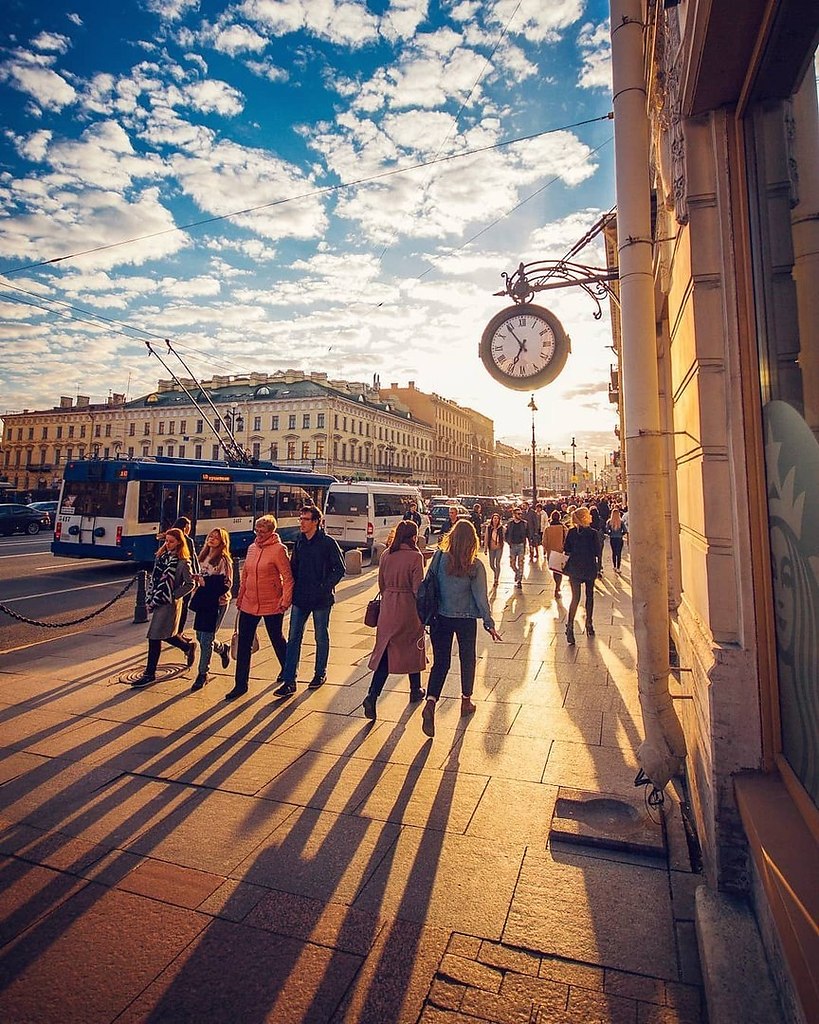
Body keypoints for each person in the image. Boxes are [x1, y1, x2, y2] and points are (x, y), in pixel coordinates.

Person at [421, 520, 502, 737]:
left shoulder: (439, 557)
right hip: (465, 619)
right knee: (467, 659)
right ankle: (466, 701)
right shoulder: (474, 565)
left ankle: (430, 702)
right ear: (473, 541)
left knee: (441, 663)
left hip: (440, 616)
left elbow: (428, 583)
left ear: (452, 537)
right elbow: (481, 597)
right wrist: (489, 622)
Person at [274, 505, 346, 696]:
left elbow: (340, 569)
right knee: (294, 637)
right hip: (301, 597)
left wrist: (324, 587)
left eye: (305, 519)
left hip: (321, 599)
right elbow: (293, 567)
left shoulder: (328, 543)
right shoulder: (299, 542)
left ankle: (319, 673)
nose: (302, 523)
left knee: (320, 636)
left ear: (316, 522)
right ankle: (289, 681)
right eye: (301, 519)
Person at [362, 521, 426, 720]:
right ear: (413, 536)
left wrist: (391, 595)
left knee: (386, 652)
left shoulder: (386, 555)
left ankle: (373, 694)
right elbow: (418, 589)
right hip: (408, 608)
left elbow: (381, 584)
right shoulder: (416, 557)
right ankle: (415, 689)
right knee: (413, 648)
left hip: (388, 608)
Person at [225, 515, 293, 701]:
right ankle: (240, 685)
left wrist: (285, 600)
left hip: (272, 603)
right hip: (249, 602)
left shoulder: (279, 550)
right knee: (244, 643)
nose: (259, 534)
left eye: (263, 531)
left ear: (272, 531)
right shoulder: (252, 548)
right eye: (257, 531)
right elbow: (245, 574)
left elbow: (287, 577)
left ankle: (289, 673)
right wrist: (239, 598)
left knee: (276, 638)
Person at [132, 528, 196, 687]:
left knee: (154, 636)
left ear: (179, 542)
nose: (167, 544)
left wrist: (173, 595)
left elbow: (190, 584)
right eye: (166, 541)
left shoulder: (183, 562)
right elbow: (155, 578)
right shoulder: (162, 557)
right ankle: (187, 646)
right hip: (158, 600)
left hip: (169, 604)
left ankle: (149, 674)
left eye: (171, 541)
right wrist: (152, 595)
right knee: (166, 635)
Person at [190, 529, 233, 692]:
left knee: (207, 639)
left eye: (216, 538)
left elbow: (226, 584)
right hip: (203, 600)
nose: (212, 539)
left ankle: (203, 674)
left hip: (217, 602)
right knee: (200, 636)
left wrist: (204, 582)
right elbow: (203, 577)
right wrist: (198, 579)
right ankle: (223, 648)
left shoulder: (223, 559)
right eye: (210, 537)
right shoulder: (203, 556)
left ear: (222, 542)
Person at [563, 506, 603, 645]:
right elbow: (597, 551)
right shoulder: (593, 533)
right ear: (584, 517)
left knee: (575, 598)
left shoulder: (572, 532)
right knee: (589, 597)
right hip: (589, 568)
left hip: (574, 568)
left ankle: (570, 626)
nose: (591, 517)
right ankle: (589, 624)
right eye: (588, 515)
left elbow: (566, 549)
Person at [173, 516, 200, 639]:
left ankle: (173, 630)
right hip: (186, 578)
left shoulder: (171, 538)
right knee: (183, 606)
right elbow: (193, 559)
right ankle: (179, 632)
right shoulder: (187, 540)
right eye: (188, 526)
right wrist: (196, 576)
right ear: (185, 528)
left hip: (174, 578)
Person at [542, 509, 568, 597]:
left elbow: (544, 542)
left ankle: (556, 586)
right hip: (561, 551)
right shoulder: (563, 528)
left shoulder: (548, 529)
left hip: (551, 552)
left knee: (554, 571)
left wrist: (546, 550)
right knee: (559, 571)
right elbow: (567, 539)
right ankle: (558, 586)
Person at [505, 506, 528, 588]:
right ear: (514, 514)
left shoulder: (524, 523)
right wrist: (508, 542)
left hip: (521, 545)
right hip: (513, 545)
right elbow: (506, 534)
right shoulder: (510, 524)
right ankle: (517, 573)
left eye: (521, 514)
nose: (520, 515)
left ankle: (519, 580)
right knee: (512, 564)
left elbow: (527, 534)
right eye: (518, 514)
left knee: (521, 563)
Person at [483, 512, 505, 588]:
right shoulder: (489, 528)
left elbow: (504, 536)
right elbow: (486, 538)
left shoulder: (501, 528)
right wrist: (485, 548)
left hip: (499, 547)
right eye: (494, 518)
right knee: (491, 564)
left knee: (497, 563)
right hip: (491, 548)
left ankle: (496, 579)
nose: (495, 520)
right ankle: (496, 572)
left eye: (497, 518)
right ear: (492, 519)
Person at [604, 506, 628, 573]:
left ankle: (614, 566)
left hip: (612, 538)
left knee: (614, 552)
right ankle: (618, 568)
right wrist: (621, 534)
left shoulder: (609, 522)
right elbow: (625, 530)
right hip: (619, 538)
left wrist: (610, 533)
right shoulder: (621, 522)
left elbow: (606, 530)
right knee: (619, 553)